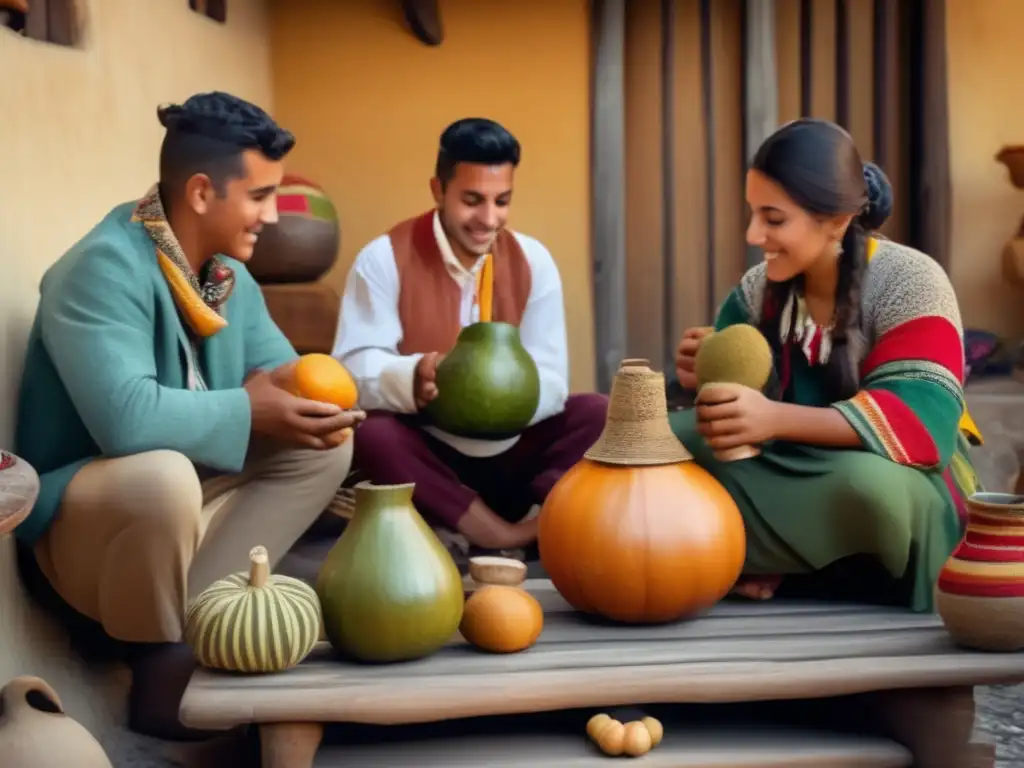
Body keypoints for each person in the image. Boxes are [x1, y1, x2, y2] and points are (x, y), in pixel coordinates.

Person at [13, 91, 364, 740]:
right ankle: (158, 661)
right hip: (89, 535)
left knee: (323, 445)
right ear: (203, 193)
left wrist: (311, 403)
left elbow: (278, 375)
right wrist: (249, 405)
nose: (271, 216)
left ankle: (203, 626)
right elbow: (127, 422)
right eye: (259, 196)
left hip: (180, 511)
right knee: (162, 475)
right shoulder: (100, 268)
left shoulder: (226, 274)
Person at [671, 118, 981, 614]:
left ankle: (762, 557)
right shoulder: (759, 288)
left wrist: (773, 418)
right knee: (670, 441)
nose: (754, 234)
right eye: (753, 215)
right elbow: (732, 405)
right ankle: (770, 560)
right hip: (789, 465)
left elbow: (924, 428)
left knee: (869, 489)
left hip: (896, 479)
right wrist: (705, 374)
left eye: (773, 220)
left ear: (836, 220)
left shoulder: (910, 281)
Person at [332, 117, 606, 555]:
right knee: (372, 434)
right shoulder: (382, 258)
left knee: (596, 411)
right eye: (473, 200)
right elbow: (352, 368)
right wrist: (413, 377)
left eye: (502, 201)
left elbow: (552, 379)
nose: (488, 218)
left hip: (514, 455)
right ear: (438, 190)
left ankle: (537, 516)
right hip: (430, 462)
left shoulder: (534, 260)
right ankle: (504, 536)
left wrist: (498, 401)